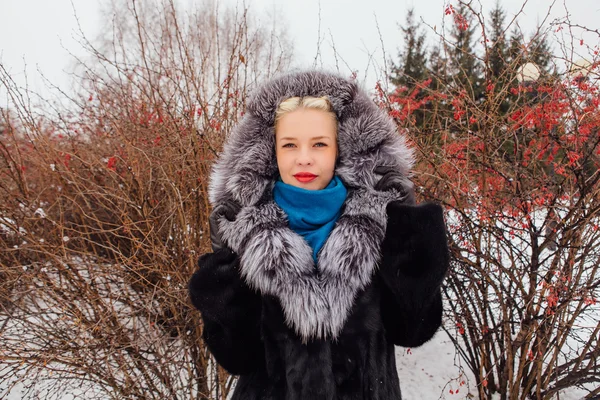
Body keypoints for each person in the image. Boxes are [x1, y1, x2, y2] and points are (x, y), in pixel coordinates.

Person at [188, 70, 449, 399]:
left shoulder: (380, 224)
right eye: (290, 145)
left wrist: (410, 240)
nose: (304, 158)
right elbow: (236, 357)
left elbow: (413, 330)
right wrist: (223, 281)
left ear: (339, 149)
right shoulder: (244, 231)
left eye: (319, 144)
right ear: (272, 152)